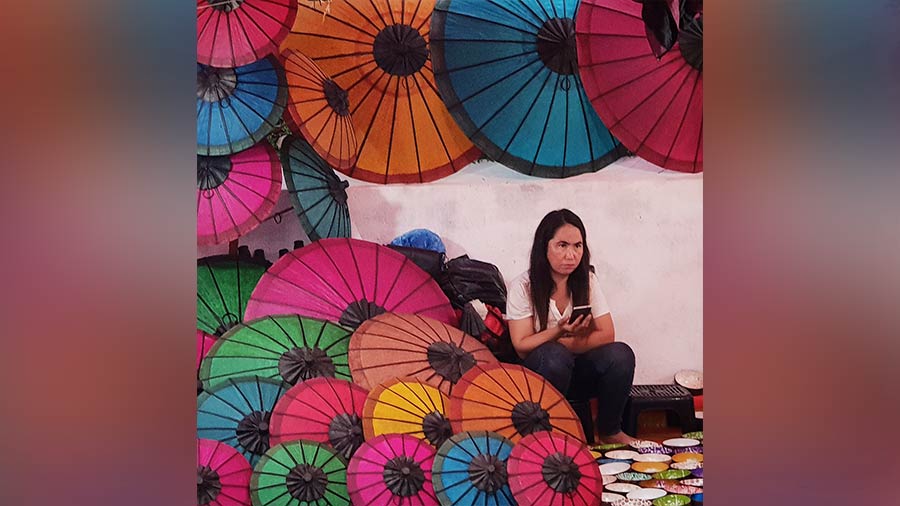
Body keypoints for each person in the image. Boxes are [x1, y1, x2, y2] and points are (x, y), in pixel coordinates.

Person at [506, 209, 637, 445]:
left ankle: (609, 430)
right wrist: (559, 331)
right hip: (540, 373)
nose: (571, 255)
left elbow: (607, 334)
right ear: (544, 247)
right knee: (554, 356)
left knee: (621, 354)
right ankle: (549, 437)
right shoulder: (523, 287)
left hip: (576, 370)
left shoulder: (587, 280)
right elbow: (522, 346)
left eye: (578, 246)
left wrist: (566, 343)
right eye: (562, 245)